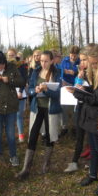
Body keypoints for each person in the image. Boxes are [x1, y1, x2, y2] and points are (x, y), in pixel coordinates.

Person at [66, 45, 98, 195]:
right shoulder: (96, 71)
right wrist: (83, 88)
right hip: (90, 115)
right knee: (93, 148)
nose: (90, 66)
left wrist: (77, 93)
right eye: (89, 63)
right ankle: (93, 175)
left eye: (93, 63)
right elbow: (93, 91)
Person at [16, 50, 62, 179]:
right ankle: (26, 169)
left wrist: (47, 90)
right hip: (37, 108)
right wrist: (34, 90)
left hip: (50, 109)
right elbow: (30, 89)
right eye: (41, 61)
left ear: (52, 60)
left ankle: (46, 165)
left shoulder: (56, 73)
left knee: (49, 135)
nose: (43, 63)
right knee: (32, 135)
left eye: (46, 61)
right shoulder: (36, 72)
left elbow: (58, 94)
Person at [63, 47, 91, 173]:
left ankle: (92, 161)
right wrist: (75, 86)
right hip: (79, 107)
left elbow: (94, 91)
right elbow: (76, 86)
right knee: (79, 136)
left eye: (84, 60)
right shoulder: (80, 73)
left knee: (91, 136)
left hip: (91, 109)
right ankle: (74, 161)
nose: (81, 63)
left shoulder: (95, 73)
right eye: (81, 60)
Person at [7, 48, 28, 143]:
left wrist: (20, 91)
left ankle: (21, 135)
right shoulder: (6, 67)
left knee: (19, 115)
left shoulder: (21, 66)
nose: (10, 57)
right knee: (11, 115)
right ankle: (11, 135)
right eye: (9, 55)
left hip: (20, 92)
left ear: (16, 55)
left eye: (12, 55)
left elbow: (24, 79)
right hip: (10, 93)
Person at [59, 45, 80, 137]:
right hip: (66, 85)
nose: (73, 57)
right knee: (64, 106)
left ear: (77, 55)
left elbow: (81, 72)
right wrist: (64, 74)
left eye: (75, 55)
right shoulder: (65, 60)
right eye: (71, 54)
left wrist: (74, 72)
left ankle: (75, 127)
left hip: (76, 86)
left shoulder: (80, 61)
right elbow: (61, 70)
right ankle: (64, 127)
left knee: (76, 107)